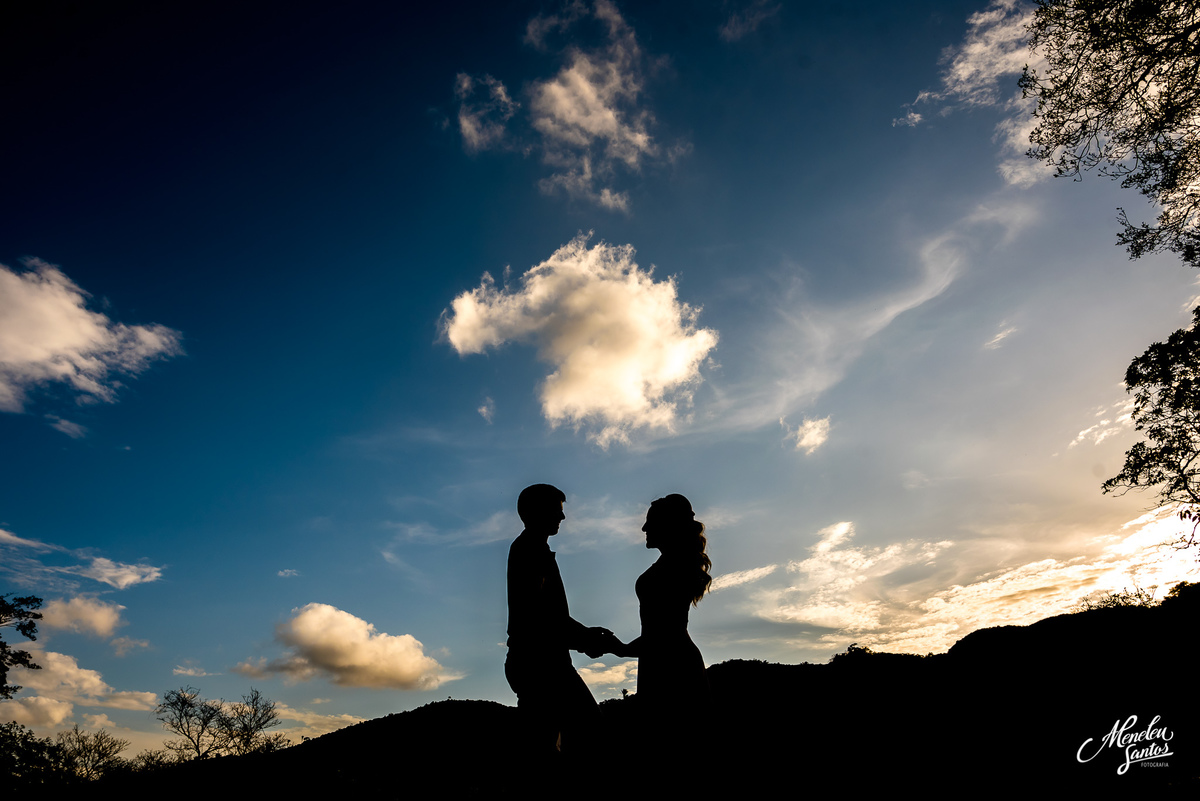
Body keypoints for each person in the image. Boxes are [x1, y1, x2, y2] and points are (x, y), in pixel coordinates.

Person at [504, 483, 618, 755]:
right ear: (535, 512)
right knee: (590, 736)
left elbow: (549, 616)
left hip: (540, 663)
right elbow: (541, 617)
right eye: (556, 510)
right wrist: (585, 638)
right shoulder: (530, 551)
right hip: (541, 665)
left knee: (551, 744)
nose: (562, 517)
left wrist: (583, 636)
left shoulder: (532, 549)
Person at [614, 494, 712, 722]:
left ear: (669, 526)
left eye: (651, 521)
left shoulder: (675, 569)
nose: (644, 527)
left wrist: (620, 649)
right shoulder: (672, 564)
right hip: (660, 660)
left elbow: (665, 634)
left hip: (672, 665)